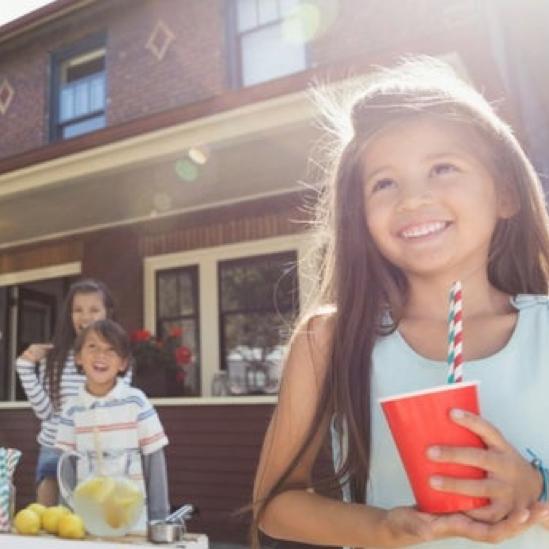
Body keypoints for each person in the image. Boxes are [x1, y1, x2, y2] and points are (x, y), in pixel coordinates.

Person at [252, 57, 549, 548]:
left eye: (443, 168)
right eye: (384, 183)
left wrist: (534, 487)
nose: (413, 199)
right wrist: (381, 527)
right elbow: (276, 503)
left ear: (506, 194)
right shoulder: (329, 340)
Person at [16, 278, 130, 506]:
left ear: (108, 312)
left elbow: (118, 408)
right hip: (55, 447)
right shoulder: (55, 359)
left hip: (99, 450)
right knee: (47, 517)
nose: (85, 317)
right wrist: (25, 366)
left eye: (94, 309)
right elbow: (45, 413)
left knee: (91, 521)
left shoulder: (117, 359)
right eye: (77, 310)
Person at [55, 319, 170, 527]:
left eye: (111, 350)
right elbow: (67, 468)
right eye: (93, 347)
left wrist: (159, 520)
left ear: (123, 363)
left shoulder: (136, 402)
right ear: (78, 357)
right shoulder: (71, 409)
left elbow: (154, 462)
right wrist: (66, 520)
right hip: (87, 523)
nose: (101, 356)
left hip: (134, 524)